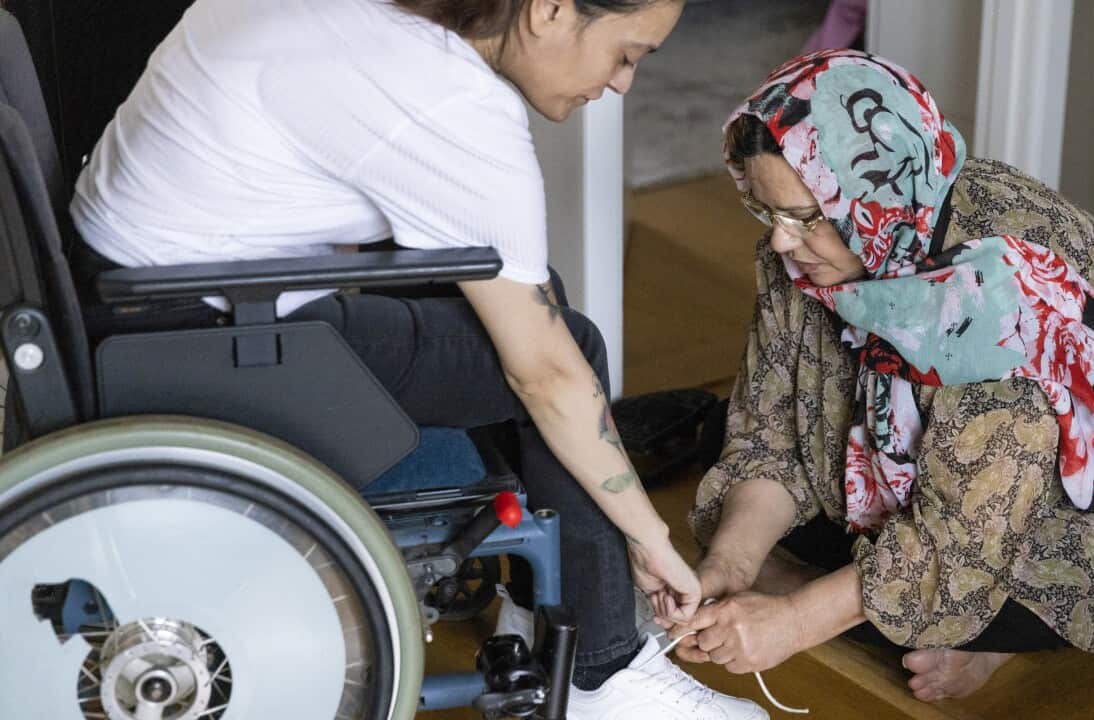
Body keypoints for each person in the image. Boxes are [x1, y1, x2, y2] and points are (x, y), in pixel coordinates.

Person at [68, 0, 765, 717]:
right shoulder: (446, 98)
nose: (622, 84)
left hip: (125, 290)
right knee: (563, 353)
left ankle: (546, 611)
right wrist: (649, 538)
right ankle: (601, 672)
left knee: (531, 307)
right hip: (196, 335)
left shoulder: (385, 26)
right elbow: (546, 374)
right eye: (627, 55)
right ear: (552, 11)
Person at [672, 49, 1094, 704]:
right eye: (764, 211)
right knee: (742, 522)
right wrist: (732, 563)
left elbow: (966, 544)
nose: (779, 242)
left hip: (1068, 518)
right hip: (912, 486)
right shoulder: (803, 250)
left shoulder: (990, 292)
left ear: (867, 201)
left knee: (964, 589)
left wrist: (795, 619)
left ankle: (985, 638)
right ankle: (902, 610)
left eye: (804, 218)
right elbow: (772, 433)